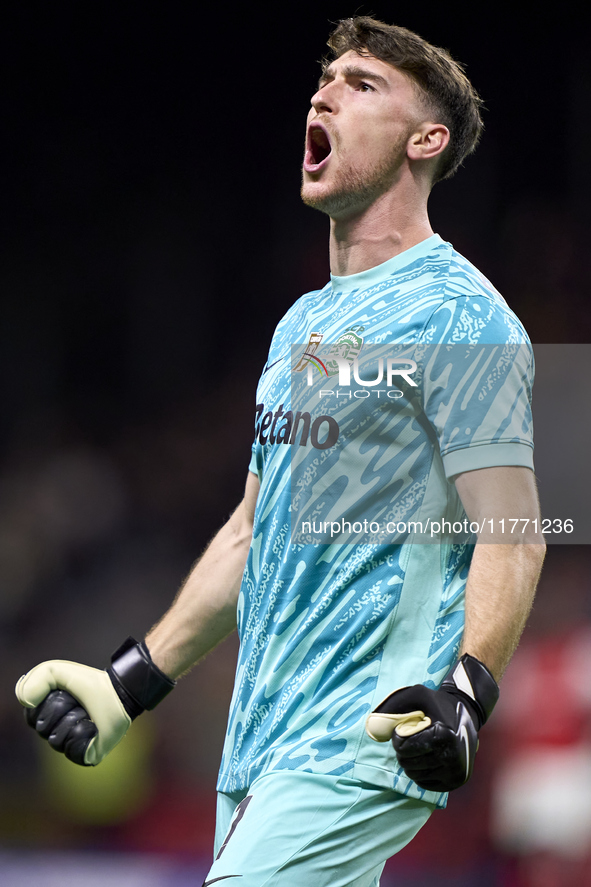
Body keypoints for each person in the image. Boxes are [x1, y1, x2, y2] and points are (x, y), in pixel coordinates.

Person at [15, 16, 546, 887]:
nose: (324, 91)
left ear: (426, 139)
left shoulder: (461, 316)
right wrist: (131, 680)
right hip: (259, 747)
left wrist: (465, 693)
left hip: (367, 735)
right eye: (325, 77)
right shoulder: (301, 325)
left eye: (361, 84)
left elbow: (514, 530)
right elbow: (251, 531)